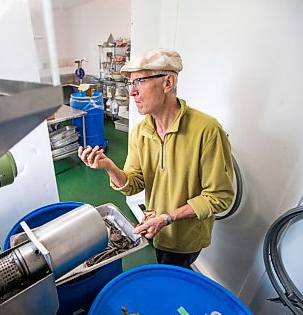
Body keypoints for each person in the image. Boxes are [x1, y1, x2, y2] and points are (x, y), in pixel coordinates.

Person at [78, 48, 234, 269]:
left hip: (184, 239)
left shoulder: (207, 131)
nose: (131, 93)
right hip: (156, 228)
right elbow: (134, 184)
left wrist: (168, 217)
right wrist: (109, 166)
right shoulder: (141, 132)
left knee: (174, 277)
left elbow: (220, 196)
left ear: (168, 83)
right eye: (130, 84)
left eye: (139, 82)